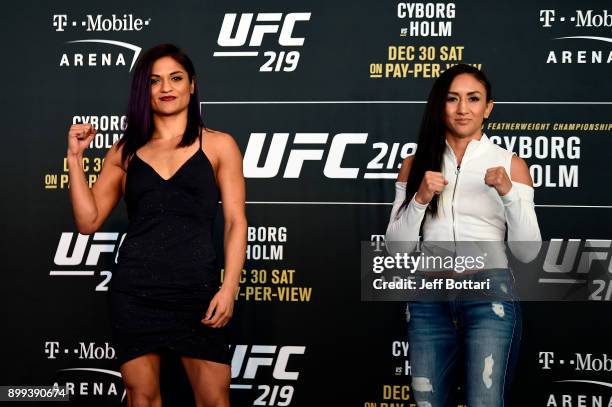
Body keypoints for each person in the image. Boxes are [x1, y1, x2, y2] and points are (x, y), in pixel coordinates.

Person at [67, 43, 247, 407]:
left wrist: (228, 288)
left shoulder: (219, 145)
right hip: (136, 293)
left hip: (197, 292)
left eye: (176, 78)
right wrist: (74, 158)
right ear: (142, 89)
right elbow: (87, 222)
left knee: (214, 398)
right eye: (155, 80)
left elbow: (234, 221)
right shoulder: (124, 152)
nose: (166, 87)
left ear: (192, 85)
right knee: (143, 398)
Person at [385, 64, 541, 406]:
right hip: (429, 300)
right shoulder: (415, 164)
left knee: (484, 402)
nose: (462, 109)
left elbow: (528, 251)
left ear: (488, 108)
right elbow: (397, 249)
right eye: (453, 99)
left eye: (473, 99)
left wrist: (507, 192)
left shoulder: (511, 165)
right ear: (440, 105)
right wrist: (420, 199)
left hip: (489, 297)